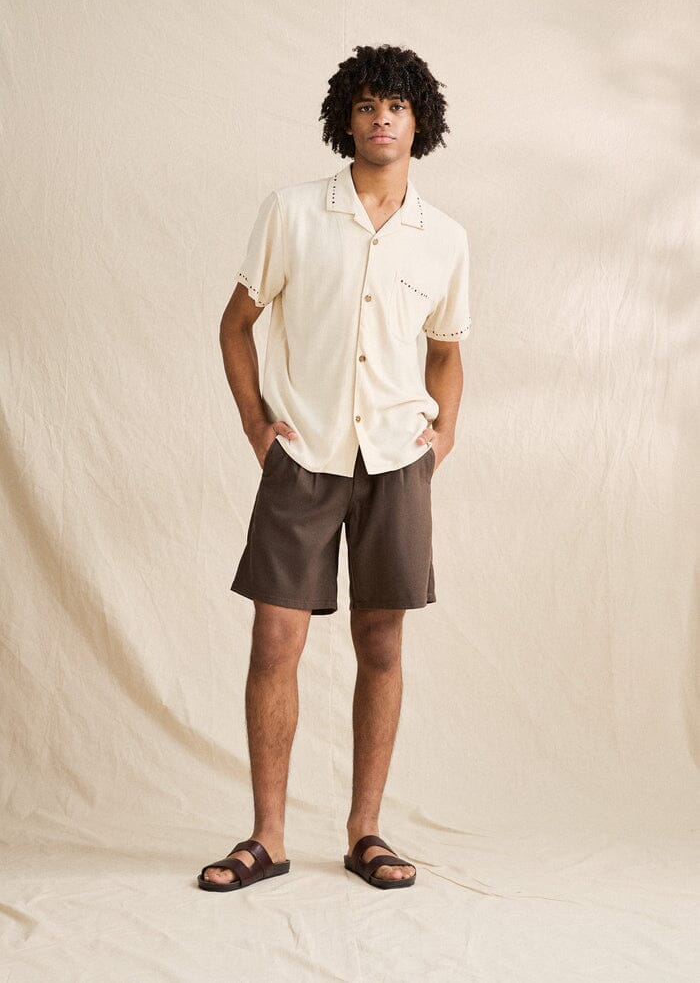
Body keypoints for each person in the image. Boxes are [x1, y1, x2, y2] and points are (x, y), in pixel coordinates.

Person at [197, 44, 471, 893]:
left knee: (381, 641)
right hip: (304, 453)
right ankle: (267, 837)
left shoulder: (445, 238)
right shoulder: (291, 212)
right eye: (366, 105)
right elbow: (235, 323)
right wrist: (257, 425)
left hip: (396, 460)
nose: (381, 117)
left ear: (420, 122)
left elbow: (447, 351)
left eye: (397, 105)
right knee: (275, 636)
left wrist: (444, 436)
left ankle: (365, 832)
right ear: (344, 120)